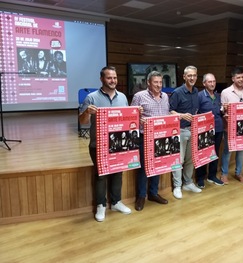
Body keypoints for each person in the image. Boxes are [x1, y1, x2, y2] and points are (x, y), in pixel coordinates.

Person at [79, 66, 131, 222]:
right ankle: (100, 205)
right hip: (99, 145)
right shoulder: (91, 98)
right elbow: (83, 123)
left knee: (118, 173)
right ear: (101, 79)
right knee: (101, 176)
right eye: (109, 78)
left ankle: (116, 202)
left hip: (119, 144)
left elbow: (128, 120)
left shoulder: (122, 97)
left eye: (115, 78)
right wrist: (87, 112)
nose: (113, 80)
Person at [130, 71, 169, 211]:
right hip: (144, 136)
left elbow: (166, 114)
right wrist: (138, 118)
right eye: (155, 82)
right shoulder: (139, 96)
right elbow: (131, 117)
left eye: (160, 82)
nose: (159, 85)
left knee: (157, 165)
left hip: (160, 136)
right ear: (148, 83)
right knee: (143, 168)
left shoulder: (165, 97)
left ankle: (153, 193)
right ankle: (141, 196)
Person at [169, 65, 202, 199]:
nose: (192, 78)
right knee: (178, 160)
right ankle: (177, 186)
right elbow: (170, 111)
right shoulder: (177, 92)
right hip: (180, 130)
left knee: (190, 159)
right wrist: (182, 115)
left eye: (194, 75)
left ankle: (188, 182)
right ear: (184, 77)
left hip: (193, 129)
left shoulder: (196, 91)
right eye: (189, 76)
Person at [195, 73, 225, 188]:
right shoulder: (199, 96)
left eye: (214, 81)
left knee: (215, 153)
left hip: (218, 129)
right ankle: (200, 178)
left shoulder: (218, 96)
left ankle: (212, 176)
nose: (212, 84)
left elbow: (220, 112)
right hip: (204, 131)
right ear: (204, 83)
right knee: (203, 153)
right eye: (209, 82)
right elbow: (196, 112)